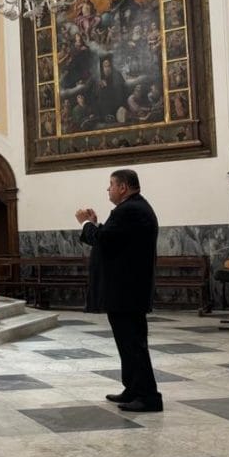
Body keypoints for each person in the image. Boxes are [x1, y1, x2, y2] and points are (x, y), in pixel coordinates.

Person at [77, 169, 162, 412]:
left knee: (133, 344)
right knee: (128, 343)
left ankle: (148, 396)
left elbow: (102, 239)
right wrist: (95, 225)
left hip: (127, 290)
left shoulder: (130, 210)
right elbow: (112, 238)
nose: (108, 189)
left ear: (123, 187)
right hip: (127, 288)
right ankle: (133, 389)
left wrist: (85, 223)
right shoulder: (133, 208)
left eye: (111, 185)